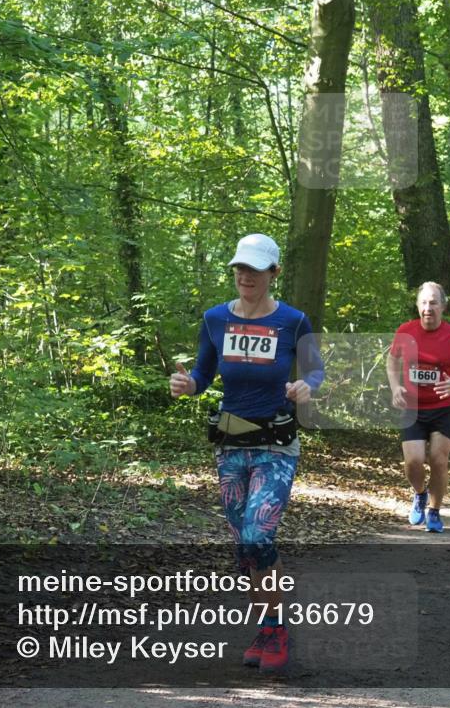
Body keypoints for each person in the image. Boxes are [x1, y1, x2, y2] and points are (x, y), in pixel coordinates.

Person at [169, 233, 324, 674]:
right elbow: (202, 373)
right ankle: (266, 625)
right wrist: (188, 384)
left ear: (273, 273)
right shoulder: (215, 319)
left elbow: (316, 369)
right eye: (240, 268)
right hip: (230, 445)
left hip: (276, 444)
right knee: (246, 548)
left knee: (258, 536)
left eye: (254, 269)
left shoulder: (293, 321)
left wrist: (306, 386)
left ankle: (275, 628)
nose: (245, 276)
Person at [387, 282, 450, 533]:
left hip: (443, 408)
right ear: (418, 306)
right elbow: (392, 361)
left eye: (433, 303)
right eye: (424, 303)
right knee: (413, 461)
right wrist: (395, 387)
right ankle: (420, 493)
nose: (428, 308)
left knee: (439, 460)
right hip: (413, 408)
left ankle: (435, 511)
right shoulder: (406, 331)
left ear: (443, 307)